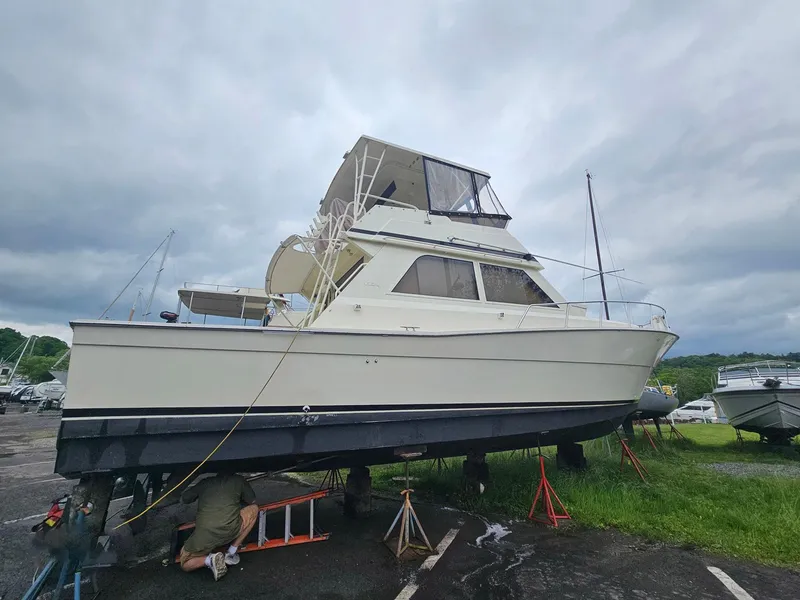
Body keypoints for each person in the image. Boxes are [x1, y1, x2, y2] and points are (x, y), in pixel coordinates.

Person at [178, 473, 259, 581]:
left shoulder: (205, 482)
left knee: (185, 563)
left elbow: (185, 498)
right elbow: (252, 501)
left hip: (204, 538)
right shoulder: (238, 480)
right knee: (254, 509)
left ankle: (209, 560)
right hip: (231, 530)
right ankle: (231, 552)